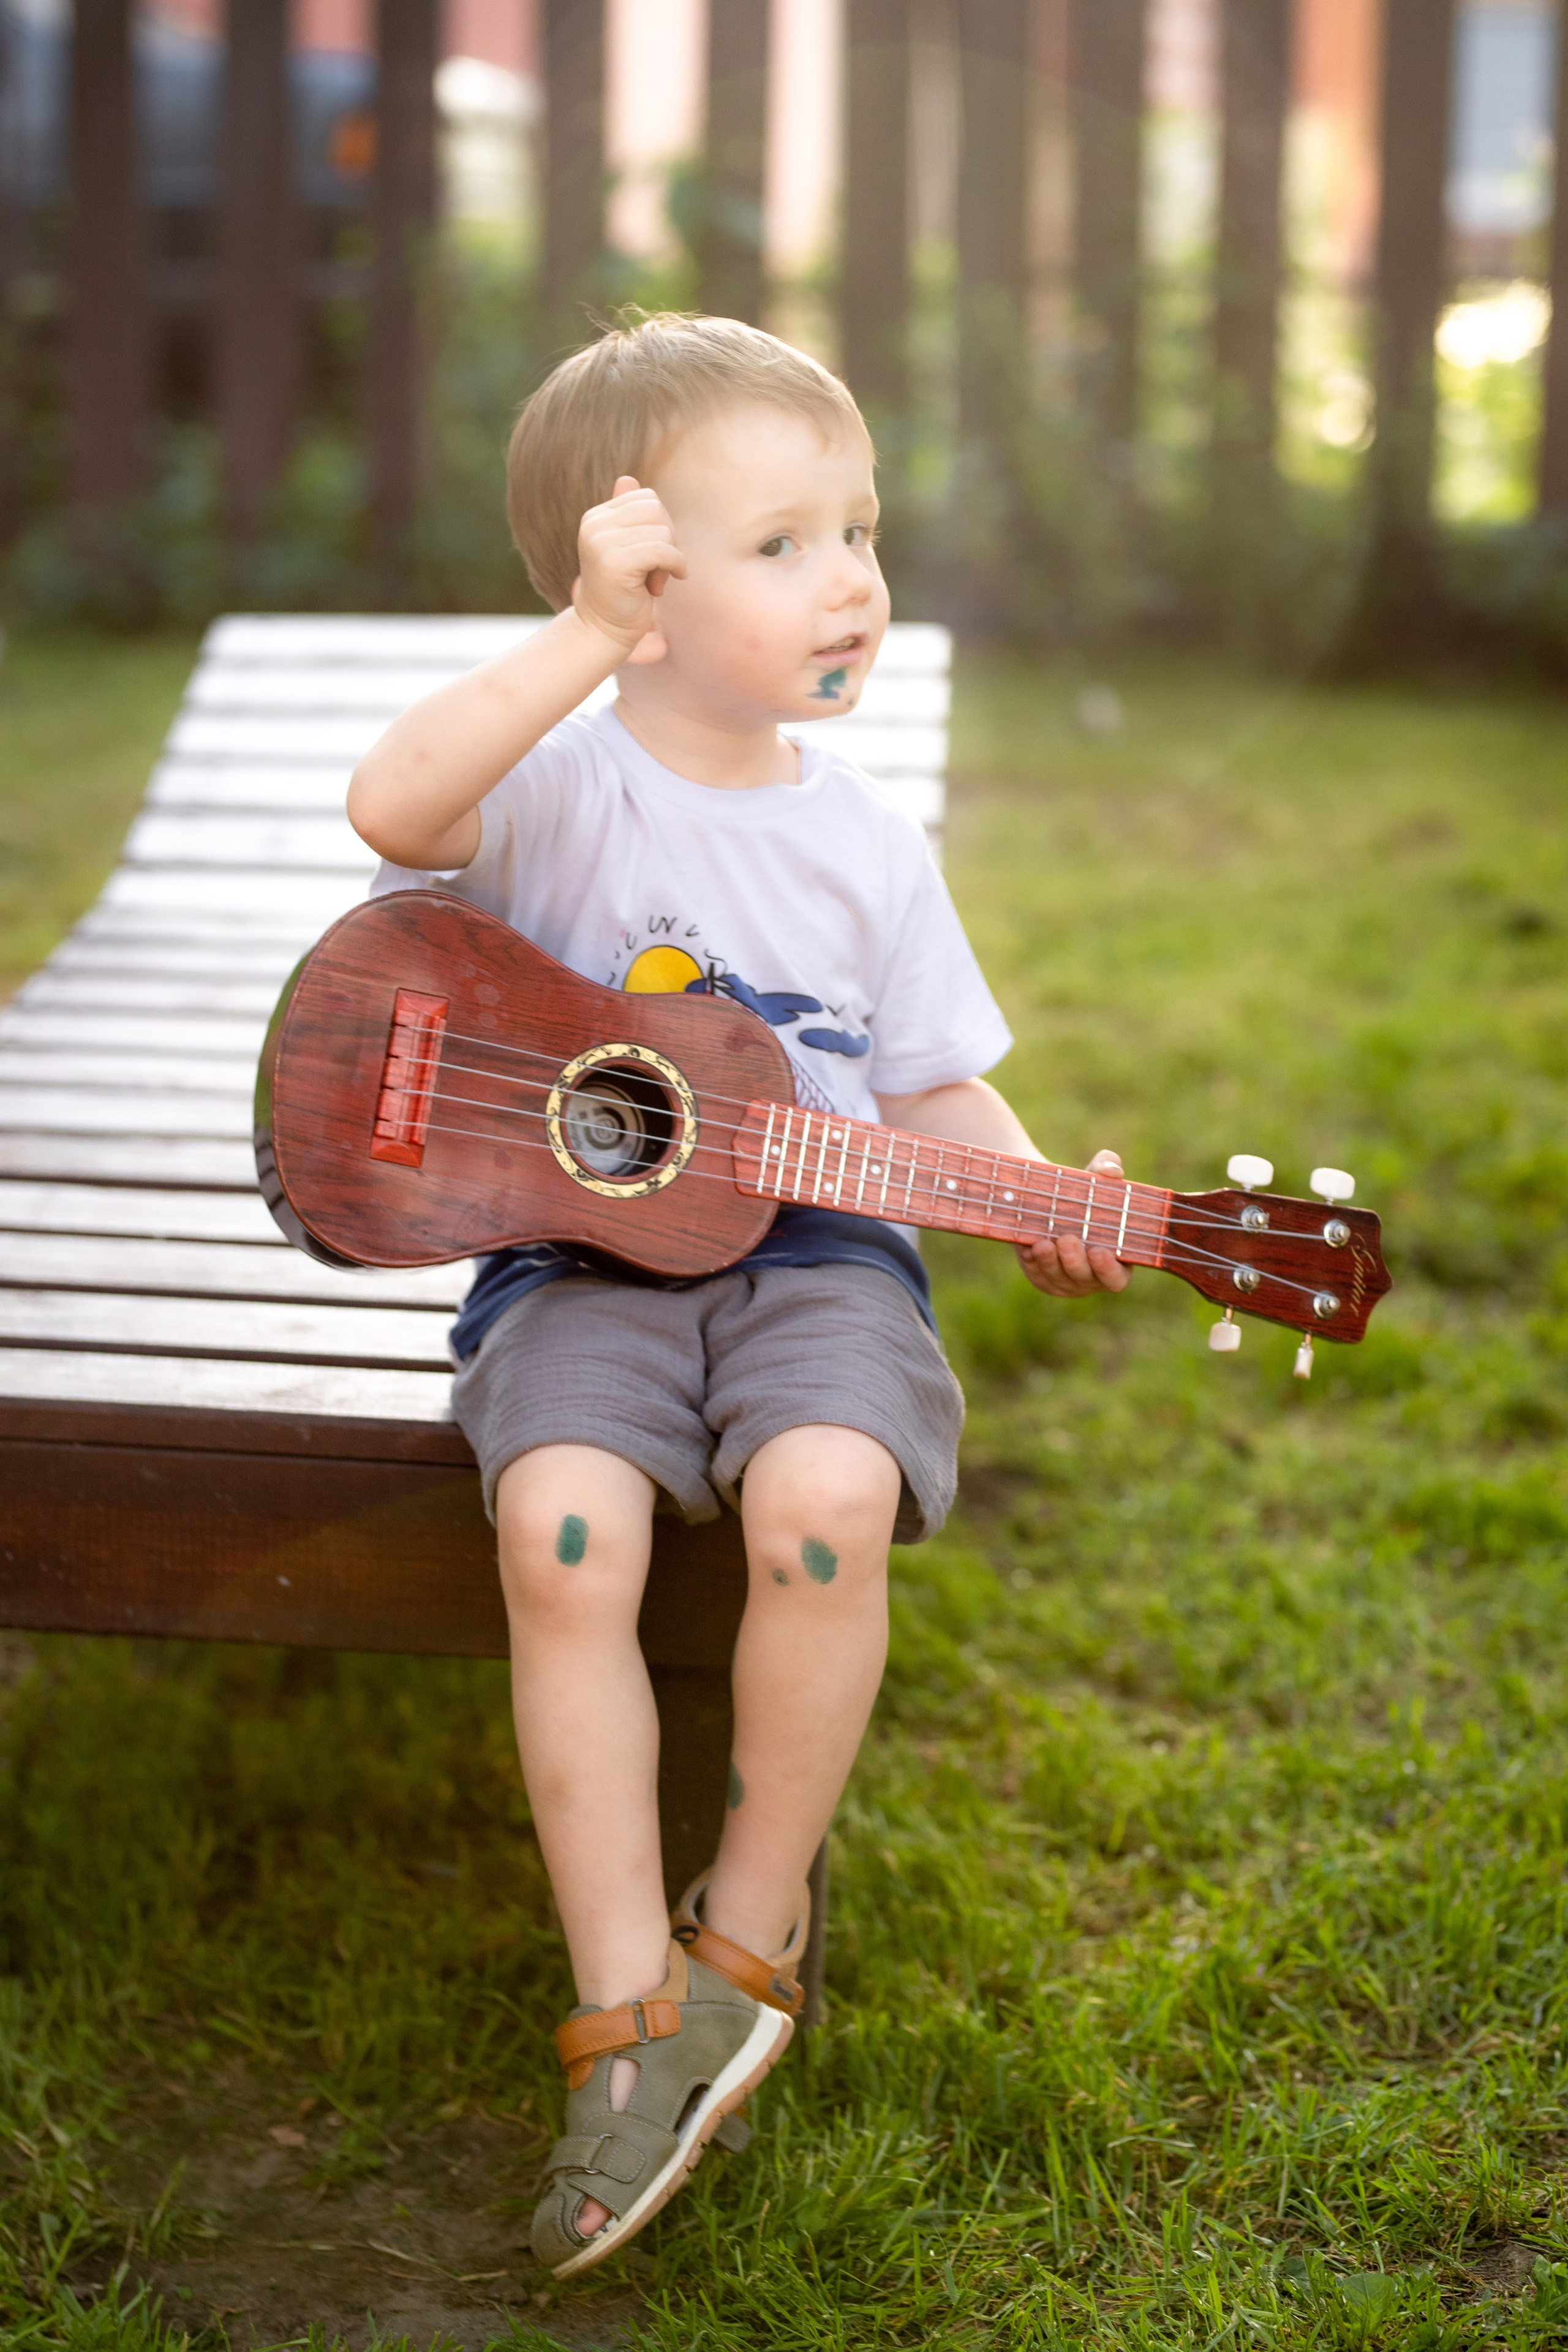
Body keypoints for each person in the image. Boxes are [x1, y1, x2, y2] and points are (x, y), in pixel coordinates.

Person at [346, 314, 1128, 2278]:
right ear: (639, 581)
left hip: (819, 1256)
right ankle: (622, 2005)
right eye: (782, 542)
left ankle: (747, 1931)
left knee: (826, 1505)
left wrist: (1037, 1195)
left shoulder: (866, 844)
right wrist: (575, 646)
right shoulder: (562, 792)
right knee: (566, 1526)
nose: (852, 577)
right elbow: (394, 811)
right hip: (584, 1258)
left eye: (856, 528)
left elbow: (930, 1075)